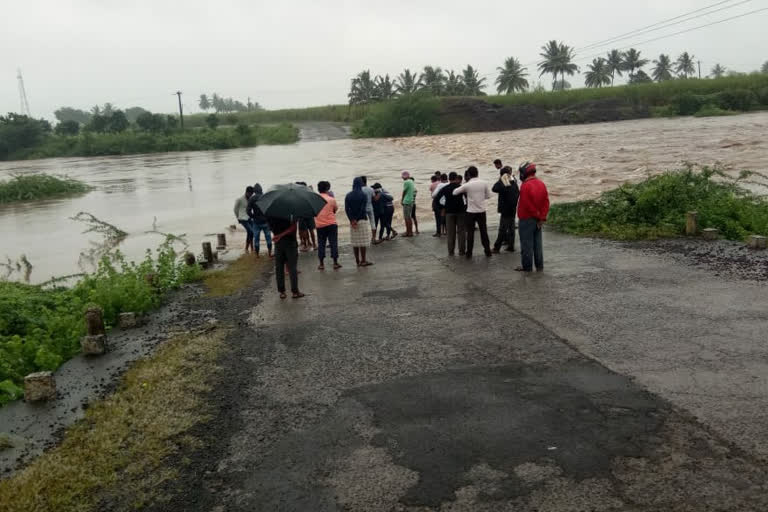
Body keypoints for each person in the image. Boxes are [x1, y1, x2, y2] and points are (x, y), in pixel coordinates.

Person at [516, 162, 550, 272]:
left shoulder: (525, 186)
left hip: (527, 219)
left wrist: (537, 215)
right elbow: (546, 202)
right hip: (538, 220)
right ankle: (539, 266)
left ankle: (527, 267)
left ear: (524, 173)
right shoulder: (541, 183)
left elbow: (527, 205)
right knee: (537, 244)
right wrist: (541, 218)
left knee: (526, 245)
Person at [453, 166, 492, 258]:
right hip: (482, 211)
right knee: (484, 232)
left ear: (469, 174)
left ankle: (469, 253)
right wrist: (481, 198)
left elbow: (455, 192)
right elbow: (488, 196)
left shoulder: (467, 185)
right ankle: (487, 251)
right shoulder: (484, 183)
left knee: (470, 233)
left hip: (470, 212)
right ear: (477, 173)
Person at [267, 215, 304, 299]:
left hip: (278, 244)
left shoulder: (270, 214)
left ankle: (282, 292)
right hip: (290, 242)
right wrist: (282, 234)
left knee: (279, 268)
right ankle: (295, 292)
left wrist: (278, 235)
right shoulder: (291, 212)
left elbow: (270, 228)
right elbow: (293, 228)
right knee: (292, 268)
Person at [436, 172, 467, 256]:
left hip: (449, 212)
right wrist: (465, 206)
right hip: (460, 211)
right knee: (461, 232)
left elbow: (436, 199)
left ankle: (451, 251)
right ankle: (462, 251)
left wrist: (442, 207)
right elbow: (467, 197)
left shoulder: (445, 188)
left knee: (450, 233)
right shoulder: (460, 187)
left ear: (449, 179)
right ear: (457, 178)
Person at [346, 177, 373, 267]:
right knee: (363, 242)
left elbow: (347, 209)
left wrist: (352, 220)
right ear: (361, 184)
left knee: (355, 242)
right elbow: (362, 209)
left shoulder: (348, 195)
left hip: (353, 222)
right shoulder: (363, 195)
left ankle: (357, 261)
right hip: (362, 220)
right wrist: (357, 219)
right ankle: (363, 260)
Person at [492, 166, 520, 253]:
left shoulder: (503, 184)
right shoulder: (514, 182)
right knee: (511, 228)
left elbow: (494, 188)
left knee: (502, 229)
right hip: (512, 209)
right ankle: (511, 246)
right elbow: (518, 193)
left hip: (505, 209)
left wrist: (501, 180)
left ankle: (497, 248)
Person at [315, 180, 341, 270]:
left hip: (319, 225)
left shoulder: (315, 199)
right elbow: (335, 210)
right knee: (333, 243)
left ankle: (321, 264)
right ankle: (335, 263)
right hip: (331, 224)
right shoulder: (331, 199)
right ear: (327, 189)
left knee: (321, 243)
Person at [247, 183, 273, 257]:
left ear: (254, 191)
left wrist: (252, 216)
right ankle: (269, 253)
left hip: (256, 222)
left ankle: (257, 255)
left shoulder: (252, 198)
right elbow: (270, 209)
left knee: (256, 239)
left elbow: (248, 211)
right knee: (268, 238)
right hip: (265, 221)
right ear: (261, 190)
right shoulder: (265, 197)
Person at [295, 182, 317, 252]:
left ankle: (305, 245)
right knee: (311, 230)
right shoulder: (308, 193)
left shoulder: (298, 195)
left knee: (303, 230)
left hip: (302, 215)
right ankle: (314, 244)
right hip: (310, 214)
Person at [234, 186, 255, 253]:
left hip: (249, 217)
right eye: (250, 194)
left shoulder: (250, 199)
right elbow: (235, 209)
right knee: (250, 231)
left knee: (252, 232)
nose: (251, 195)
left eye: (252, 194)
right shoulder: (239, 199)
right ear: (247, 192)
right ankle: (246, 248)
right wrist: (238, 217)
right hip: (242, 218)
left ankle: (251, 247)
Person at [360, 176, 377, 243]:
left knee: (362, 223)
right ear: (366, 181)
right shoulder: (371, 189)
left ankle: (363, 238)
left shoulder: (360, 190)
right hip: (370, 208)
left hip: (362, 209)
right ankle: (373, 238)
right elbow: (374, 199)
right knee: (373, 223)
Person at [401, 171, 416, 237]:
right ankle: (410, 232)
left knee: (406, 218)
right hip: (411, 201)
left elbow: (404, 192)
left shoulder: (406, 182)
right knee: (409, 217)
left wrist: (402, 200)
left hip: (406, 201)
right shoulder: (411, 181)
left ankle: (408, 232)